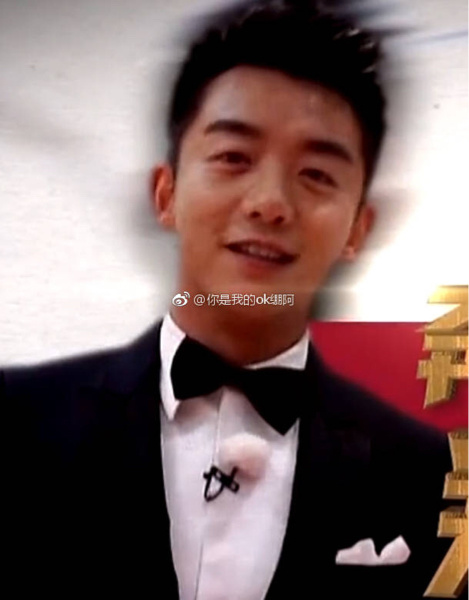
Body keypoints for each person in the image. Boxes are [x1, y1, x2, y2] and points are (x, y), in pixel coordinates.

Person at [2, 1, 455, 599]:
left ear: (357, 229)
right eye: (233, 158)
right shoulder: (14, 422)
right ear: (165, 193)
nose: (270, 203)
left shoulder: (430, 475)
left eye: (317, 174)